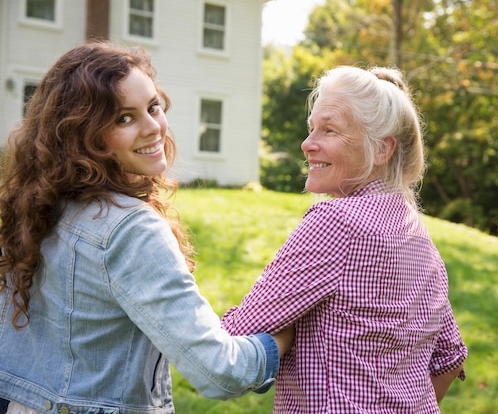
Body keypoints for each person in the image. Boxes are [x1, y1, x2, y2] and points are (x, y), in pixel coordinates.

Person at [0, 42, 292, 414]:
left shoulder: (37, 204)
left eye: (153, 107)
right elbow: (218, 370)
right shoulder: (129, 230)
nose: (153, 127)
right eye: (124, 118)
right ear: (81, 135)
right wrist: (281, 339)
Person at [222, 65, 468, 413]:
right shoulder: (419, 236)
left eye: (329, 130)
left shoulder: (335, 222)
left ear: (382, 149)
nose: (308, 144)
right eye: (311, 129)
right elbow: (450, 360)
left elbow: (237, 332)